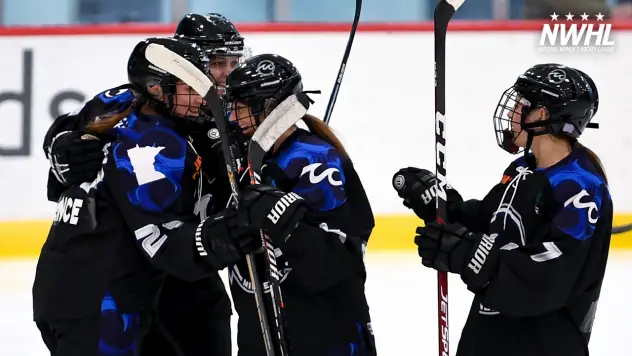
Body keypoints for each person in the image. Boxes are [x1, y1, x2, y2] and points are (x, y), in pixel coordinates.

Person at [32, 37, 261, 356]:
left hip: (99, 294)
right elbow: (161, 239)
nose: (202, 98)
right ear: (157, 89)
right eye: (190, 88)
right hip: (97, 304)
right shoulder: (149, 143)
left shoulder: (145, 125)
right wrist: (226, 235)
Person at [392, 64, 612, 356]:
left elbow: (551, 276)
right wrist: (445, 209)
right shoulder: (523, 168)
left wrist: (472, 255)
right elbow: (491, 223)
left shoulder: (581, 188)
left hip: (542, 343)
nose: (511, 113)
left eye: (521, 105)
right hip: (489, 337)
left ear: (543, 116)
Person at [222, 53, 377, 356]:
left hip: (324, 335)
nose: (231, 119)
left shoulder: (314, 160)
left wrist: (285, 222)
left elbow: (337, 261)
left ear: (268, 109)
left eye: (240, 109)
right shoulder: (250, 161)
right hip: (267, 331)